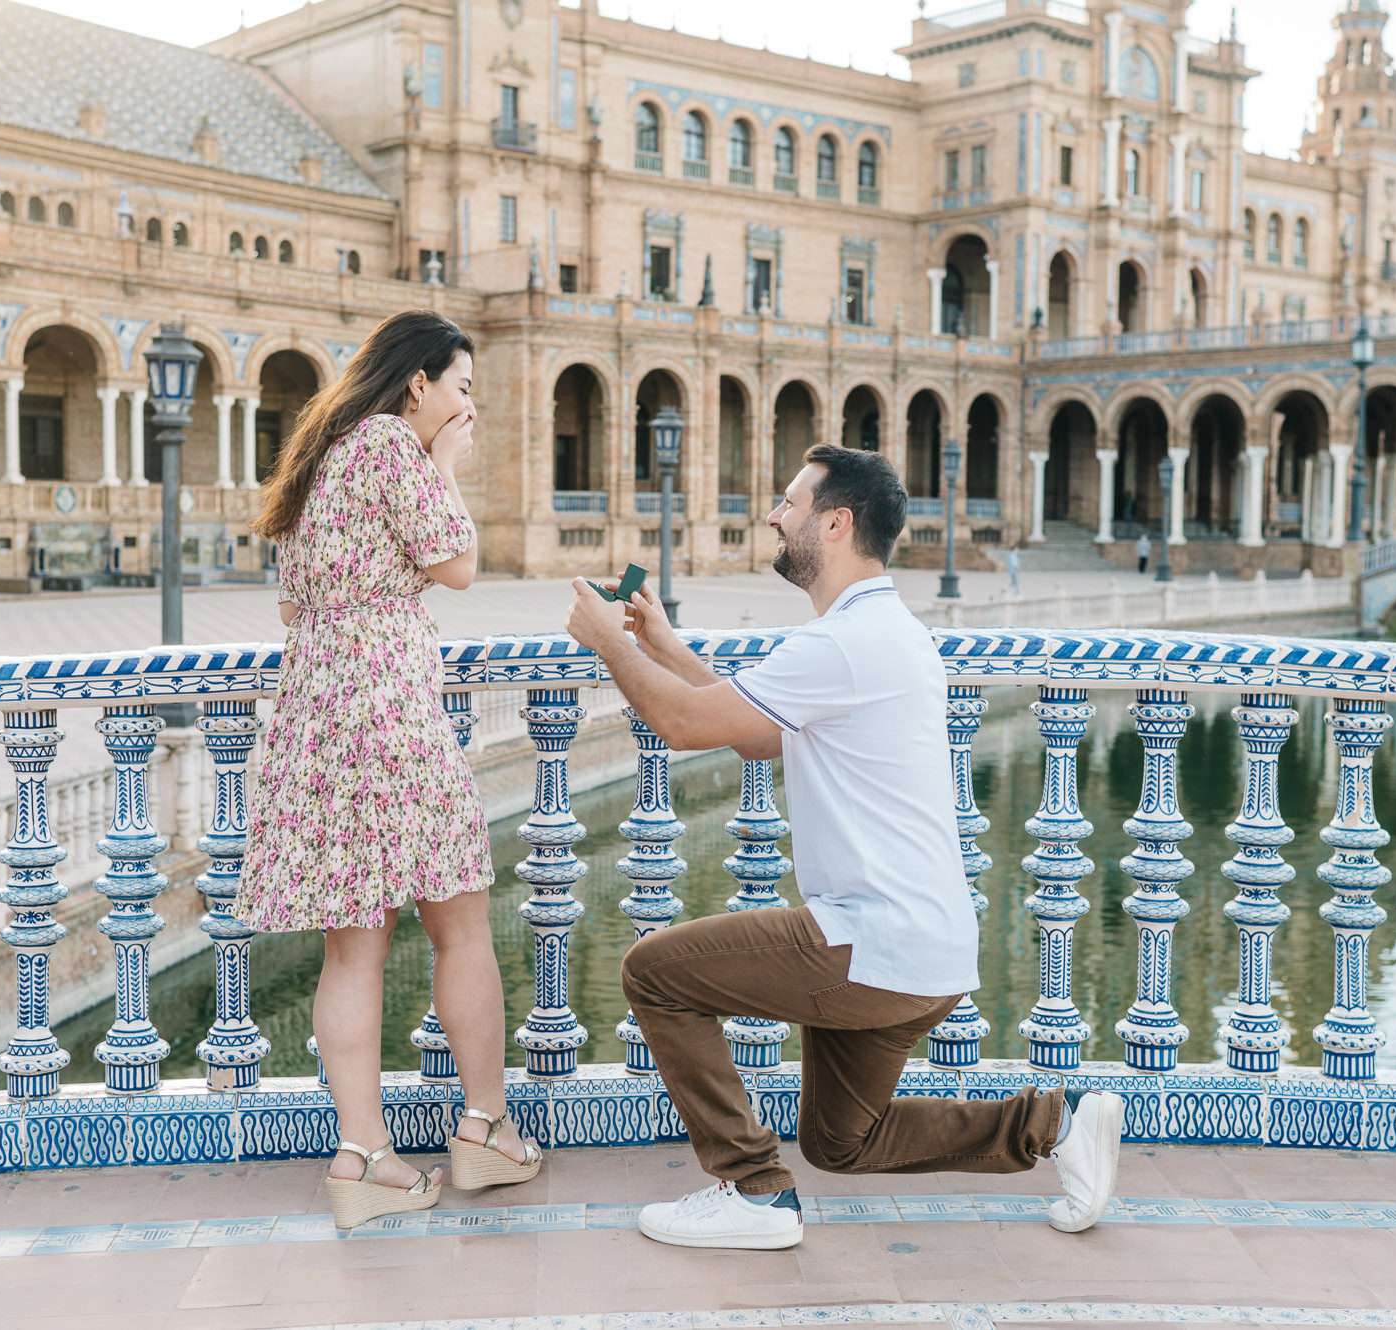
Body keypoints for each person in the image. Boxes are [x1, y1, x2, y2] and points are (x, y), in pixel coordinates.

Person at [564, 444, 1124, 1252]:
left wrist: (606, 642)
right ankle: (1056, 1124)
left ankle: (754, 1190)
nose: (773, 515)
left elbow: (685, 726)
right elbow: (755, 733)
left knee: (653, 974)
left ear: (835, 522)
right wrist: (659, 642)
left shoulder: (842, 645)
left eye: (789, 504)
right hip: (921, 946)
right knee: (842, 1141)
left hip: (872, 937)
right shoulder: (880, 632)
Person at [239, 310, 541, 1232]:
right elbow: (456, 564)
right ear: (418, 384)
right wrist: (442, 462)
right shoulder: (385, 444)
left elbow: (295, 602)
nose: (466, 406)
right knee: (460, 924)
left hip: (319, 711)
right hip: (390, 712)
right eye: (461, 388)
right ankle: (483, 1131)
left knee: (351, 945)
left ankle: (364, 1154)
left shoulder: (323, 450)